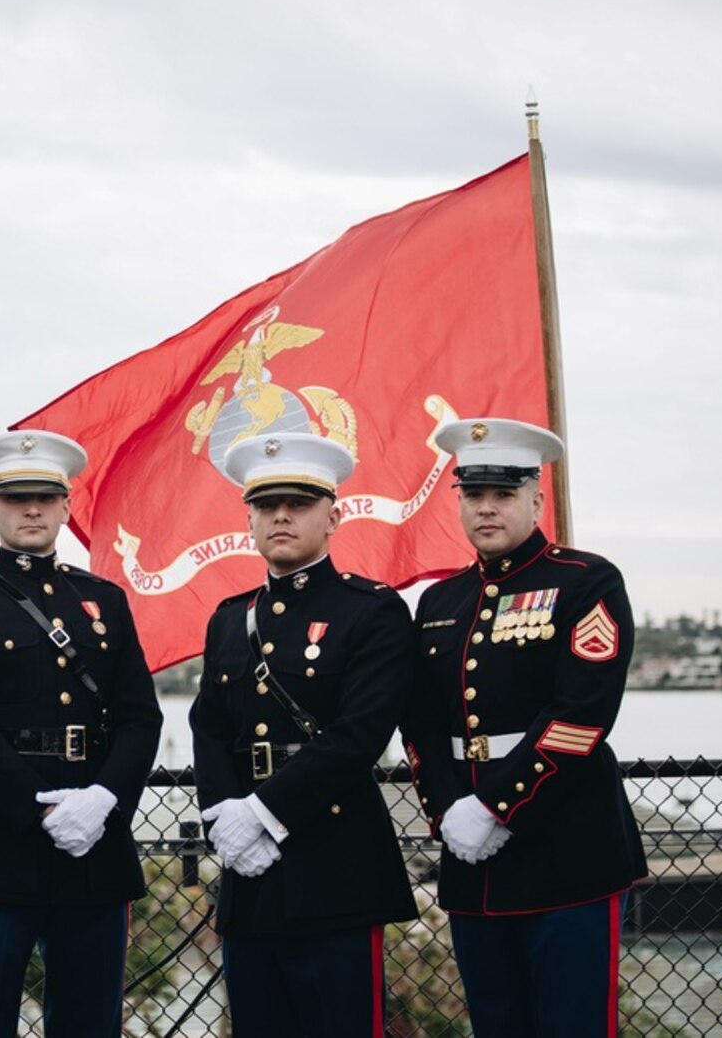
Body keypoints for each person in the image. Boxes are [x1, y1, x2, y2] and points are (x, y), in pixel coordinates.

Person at [399, 417, 645, 1037]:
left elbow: (580, 716)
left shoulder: (585, 581)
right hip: (472, 859)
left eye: (503, 494)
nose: (486, 508)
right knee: (497, 1023)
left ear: (536, 500)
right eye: (473, 495)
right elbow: (421, 719)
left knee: (573, 1025)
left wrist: (496, 808)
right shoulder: (439, 601)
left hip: (567, 849)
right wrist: (450, 810)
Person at [0, 429, 163, 1037]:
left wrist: (103, 800)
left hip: (95, 842)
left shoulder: (103, 599)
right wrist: (42, 810)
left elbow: (140, 716)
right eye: (16, 497)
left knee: (90, 1021)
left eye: (46, 498)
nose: (32, 509)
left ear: (65, 507)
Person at [189, 432, 418, 1036]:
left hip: (335, 860)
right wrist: (222, 818)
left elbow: (358, 734)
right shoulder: (228, 619)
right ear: (250, 521)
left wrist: (262, 811)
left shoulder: (371, 611)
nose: (282, 516)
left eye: (299, 503)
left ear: (333, 515)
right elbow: (208, 728)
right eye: (267, 506)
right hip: (250, 871)